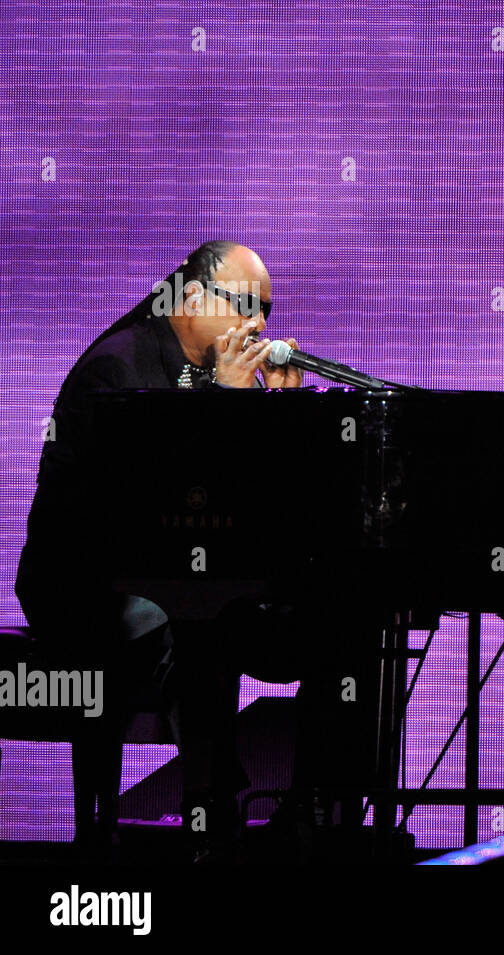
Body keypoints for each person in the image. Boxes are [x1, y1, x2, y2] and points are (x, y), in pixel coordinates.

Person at [15, 241, 358, 857]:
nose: (257, 325)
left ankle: (314, 815)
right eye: (245, 305)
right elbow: (160, 518)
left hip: (195, 583)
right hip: (87, 585)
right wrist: (227, 406)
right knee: (199, 626)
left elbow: (253, 521)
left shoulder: (211, 369)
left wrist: (282, 416)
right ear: (191, 295)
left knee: (343, 627)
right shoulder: (119, 368)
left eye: (267, 313)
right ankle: (213, 818)